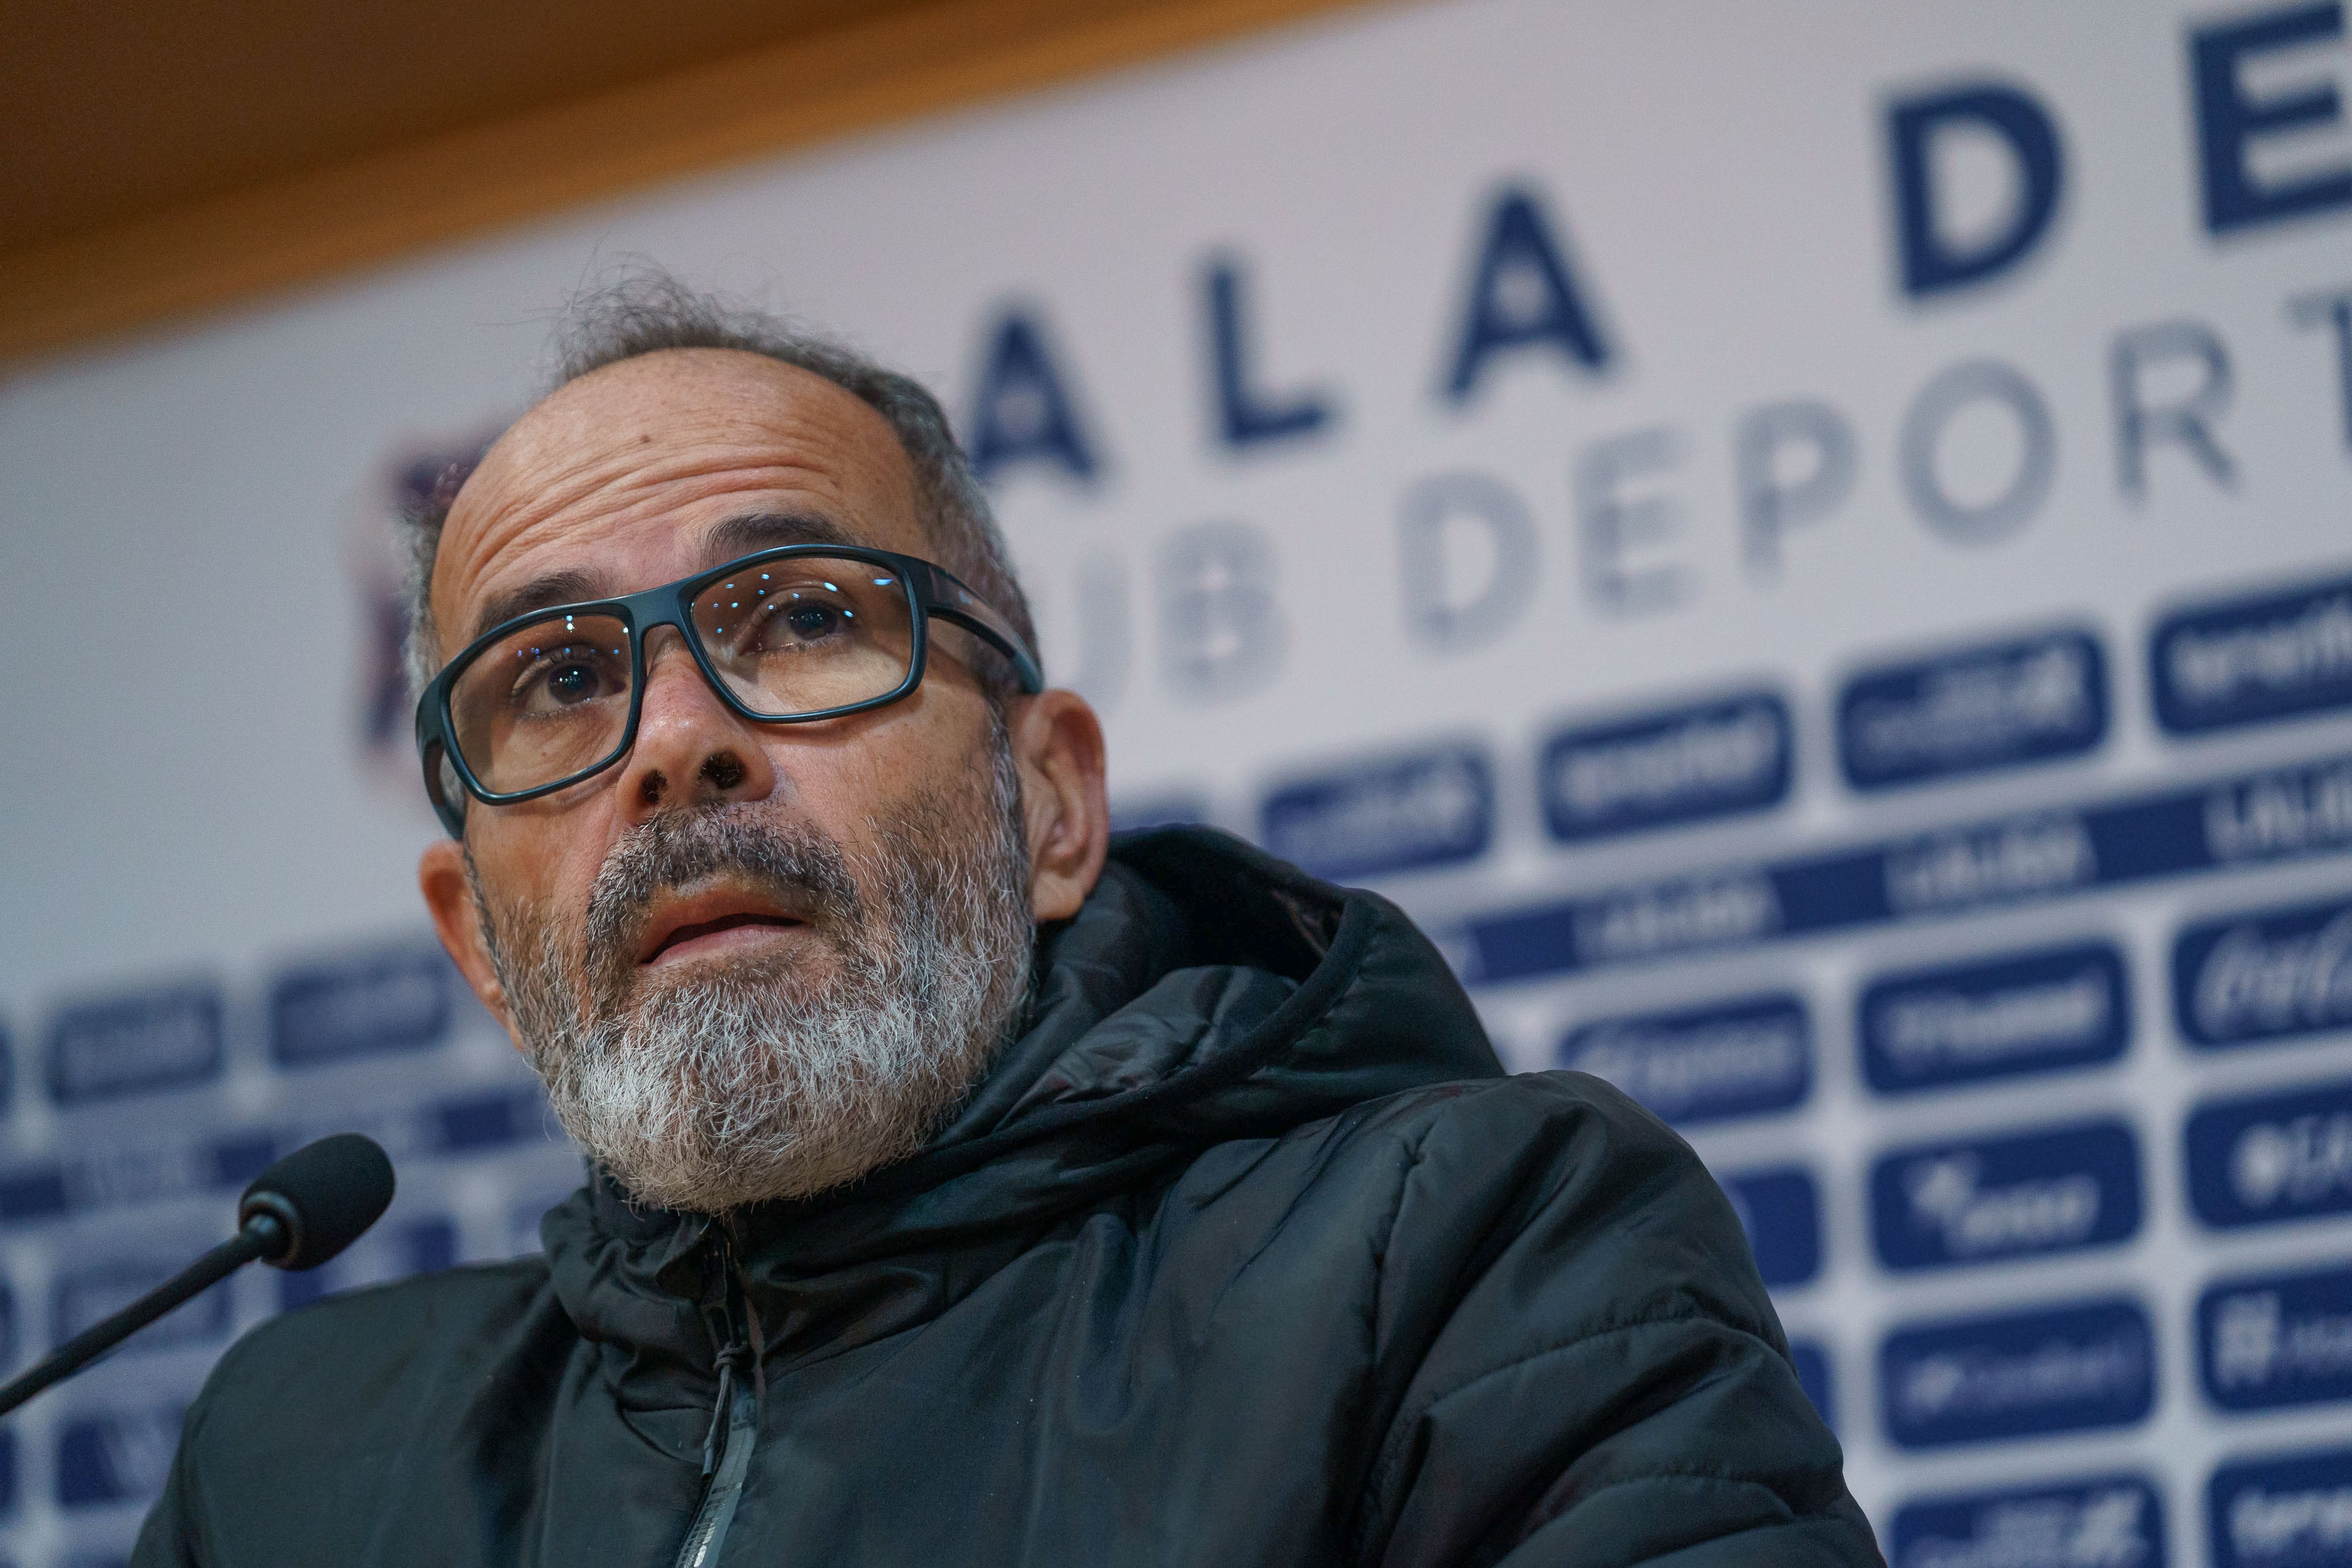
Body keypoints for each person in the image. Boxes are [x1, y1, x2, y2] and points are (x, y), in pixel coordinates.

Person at [131, 272, 1881, 1567]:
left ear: (1048, 802)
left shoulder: (1474, 1249)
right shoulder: (288, 1470)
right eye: (563, 675)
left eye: (805, 614)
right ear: (480, 951)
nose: (676, 741)